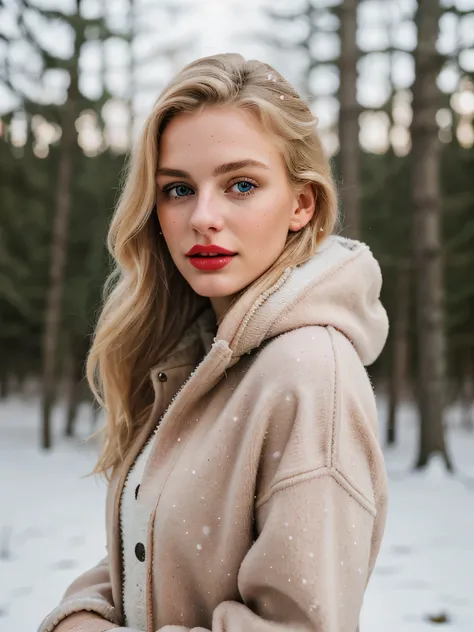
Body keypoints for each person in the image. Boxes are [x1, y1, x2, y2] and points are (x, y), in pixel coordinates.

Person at [38, 53, 389, 632]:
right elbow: (151, 551)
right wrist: (80, 614)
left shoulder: (307, 372)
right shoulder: (198, 354)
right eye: (178, 189)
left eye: (241, 185)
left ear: (302, 204)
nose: (203, 217)